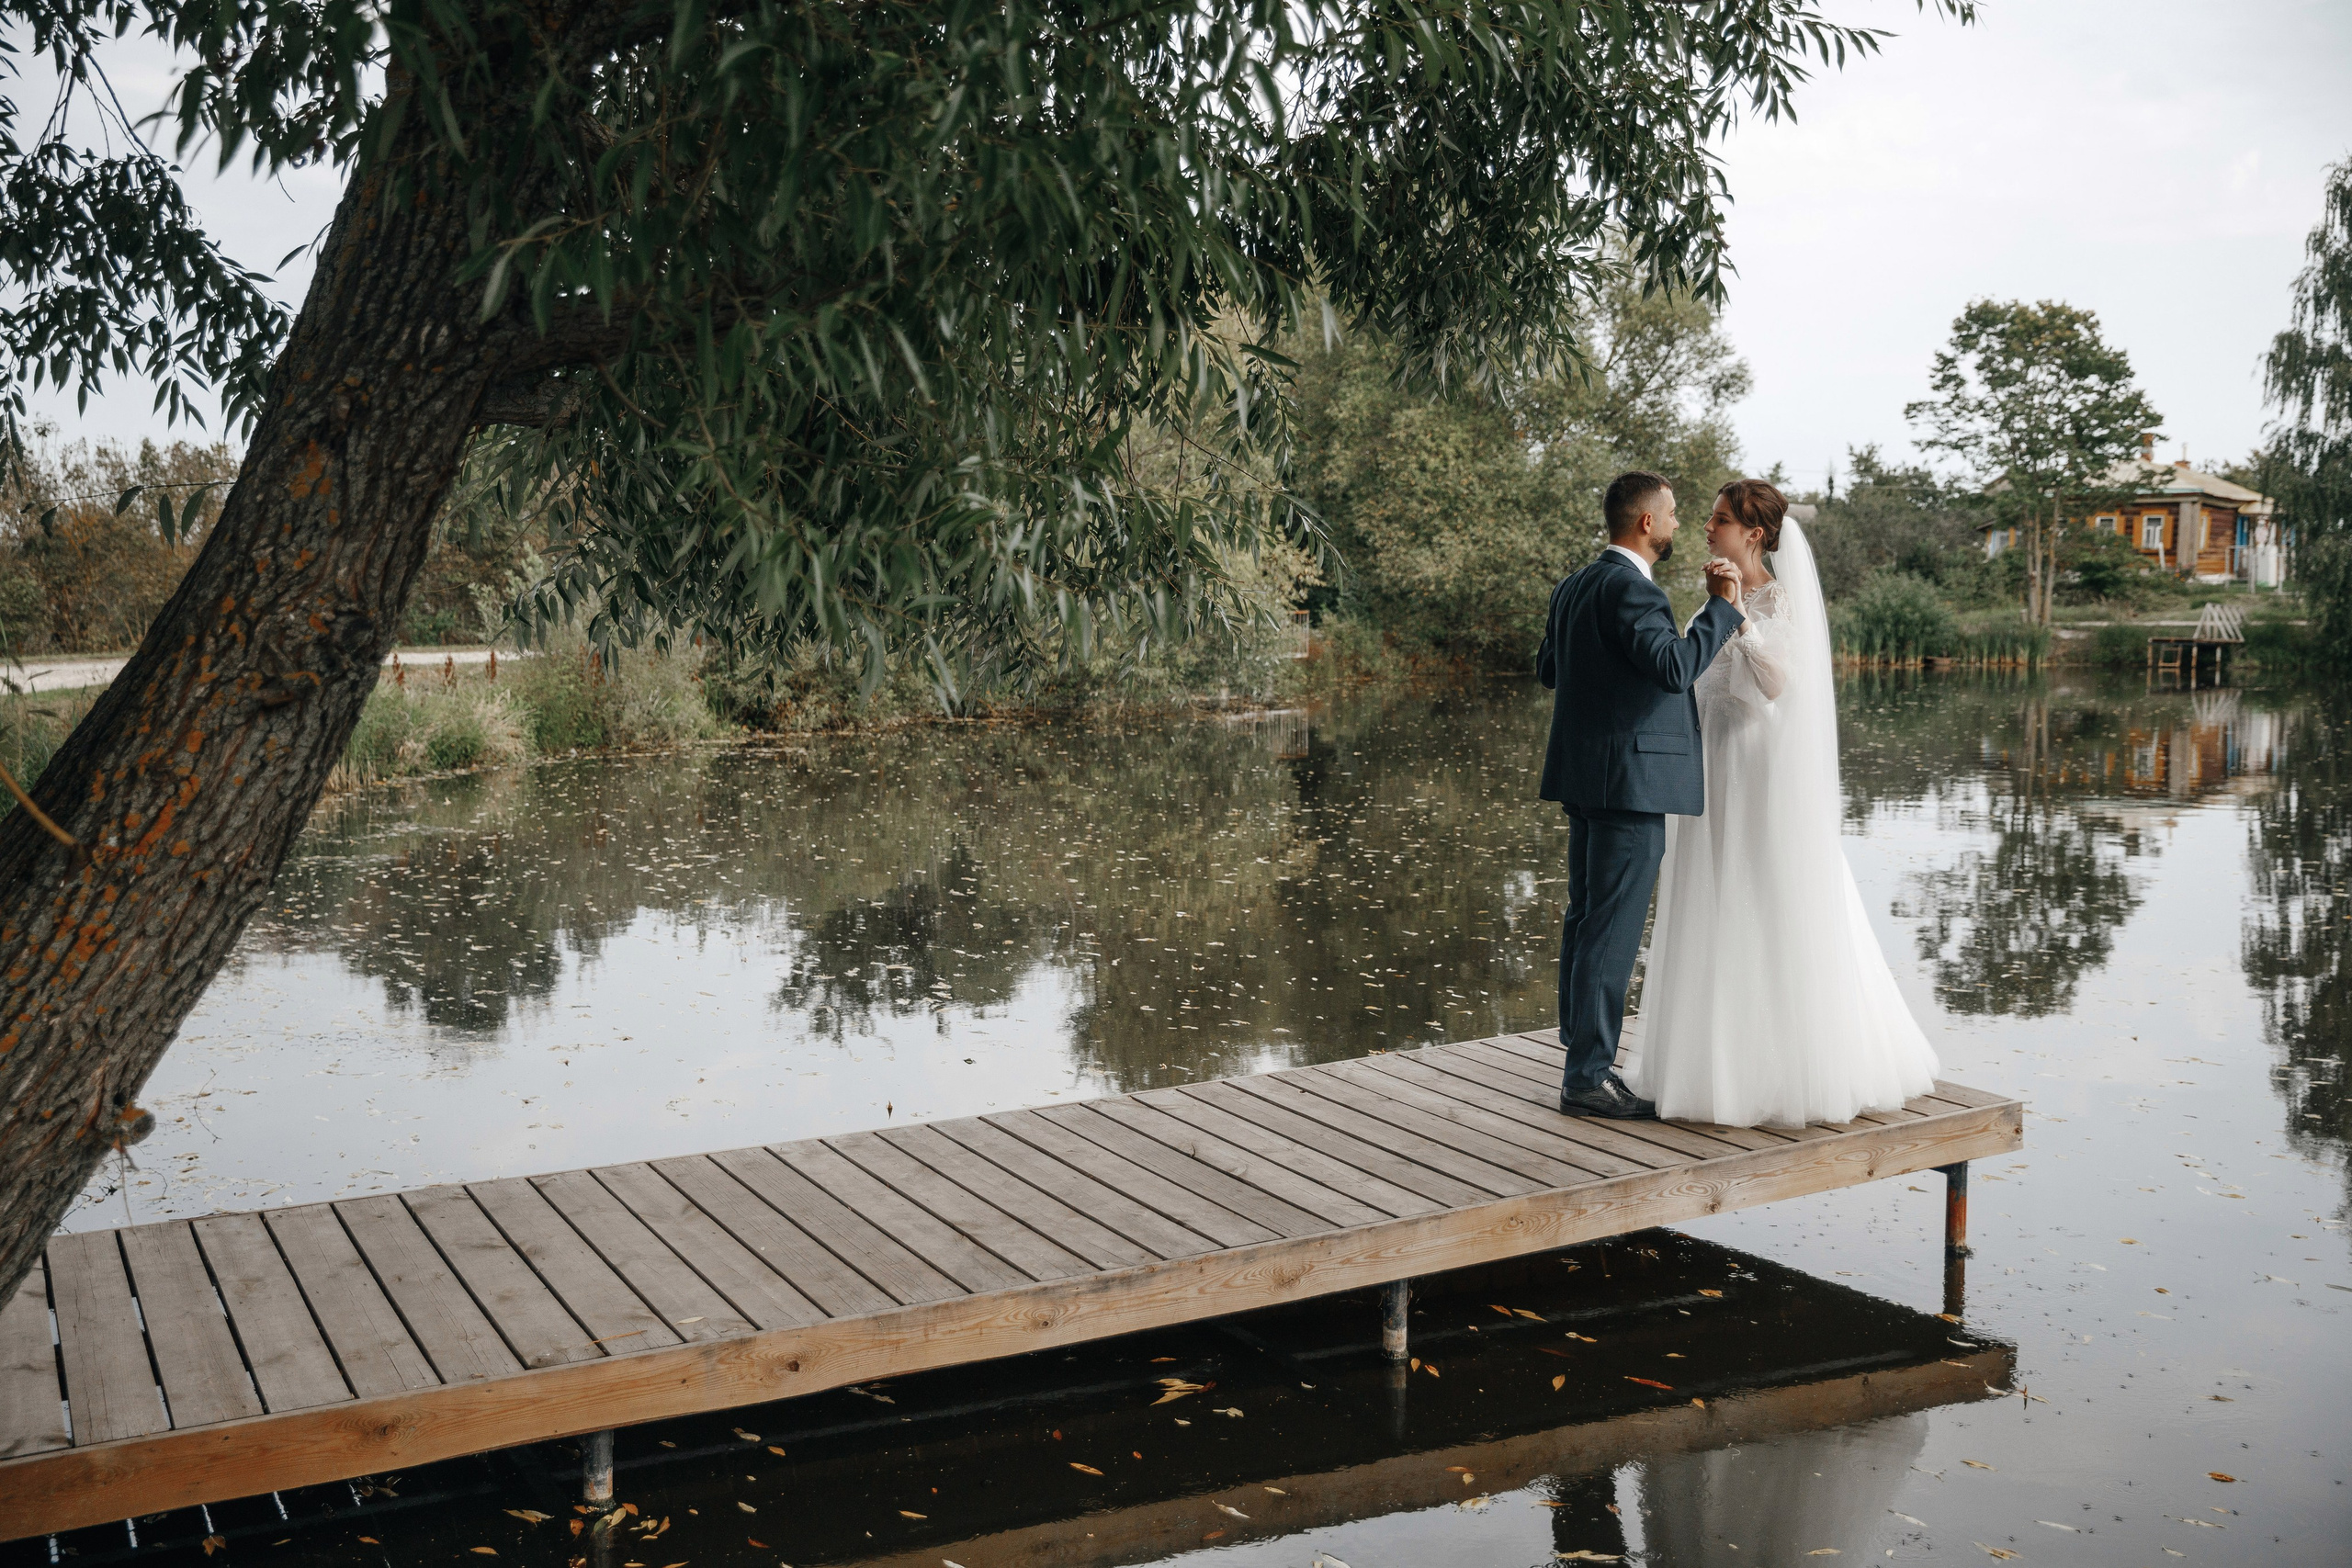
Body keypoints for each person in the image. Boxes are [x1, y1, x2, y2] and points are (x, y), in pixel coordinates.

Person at [1624, 479, 1939, 1127]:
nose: (1706, 528)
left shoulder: (1780, 599)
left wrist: (1739, 617)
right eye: (1707, 518)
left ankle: (1785, 1066)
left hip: (1755, 770)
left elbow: (1774, 683)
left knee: (1759, 896)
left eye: (1718, 519)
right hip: (1708, 768)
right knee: (1709, 900)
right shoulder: (1715, 593)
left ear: (1755, 534)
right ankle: (1706, 1064)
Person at [1535, 470, 1746, 1119]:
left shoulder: (1576, 585)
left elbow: (1550, 668)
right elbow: (1677, 667)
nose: (1683, 523)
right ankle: (1586, 1077)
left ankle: (1582, 1049)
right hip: (1627, 784)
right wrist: (1721, 609)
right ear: (1646, 523)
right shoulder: (1634, 592)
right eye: (1676, 514)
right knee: (1611, 928)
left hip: (1586, 777)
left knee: (1586, 915)